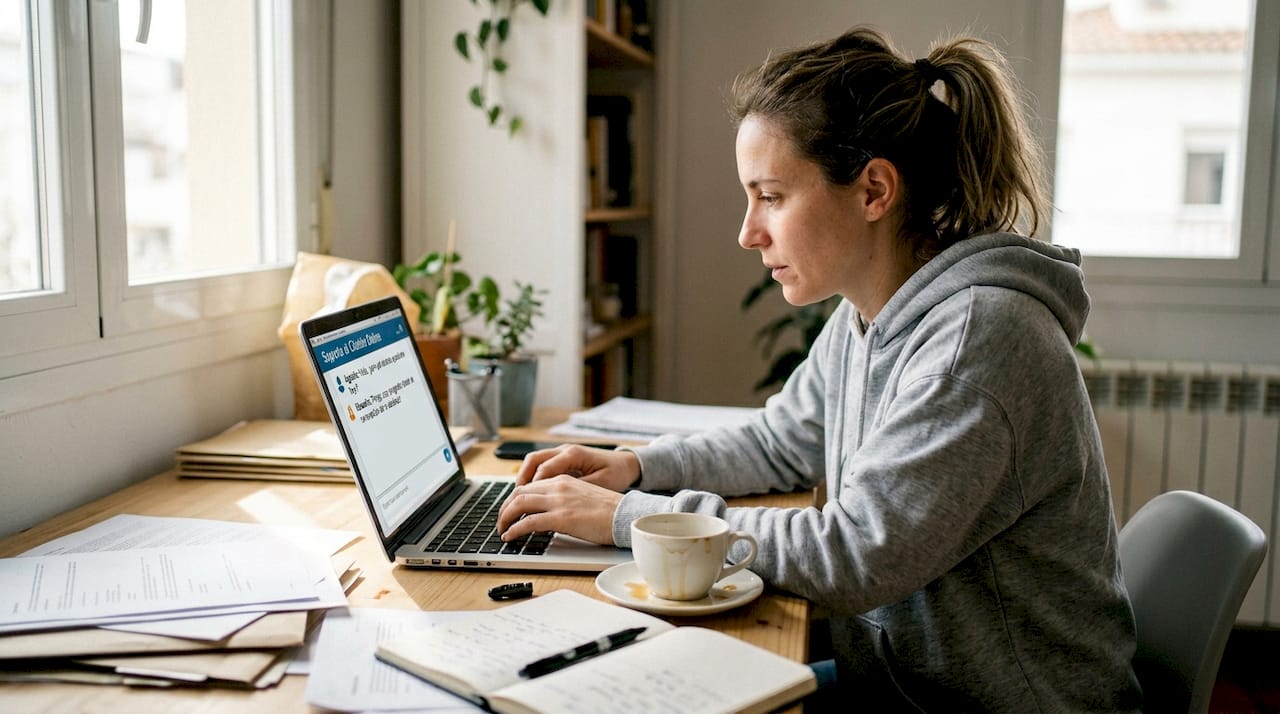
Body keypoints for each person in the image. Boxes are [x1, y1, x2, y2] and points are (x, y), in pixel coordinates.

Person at [497, 25, 1141, 711]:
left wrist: (628, 518)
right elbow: (780, 441)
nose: (748, 232)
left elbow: (852, 554)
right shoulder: (871, 312)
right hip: (907, 689)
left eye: (770, 196)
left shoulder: (974, 343)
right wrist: (636, 468)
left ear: (873, 191)